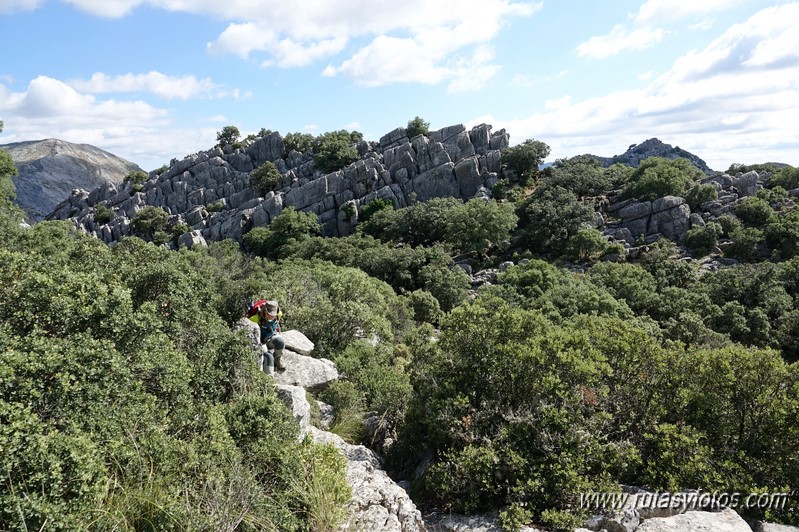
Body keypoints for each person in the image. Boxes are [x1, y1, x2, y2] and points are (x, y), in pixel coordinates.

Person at [246, 299, 286, 374]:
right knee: (268, 355)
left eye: (273, 315)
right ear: (264, 311)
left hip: (270, 337)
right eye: (270, 314)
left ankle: (278, 359)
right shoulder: (255, 319)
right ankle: (268, 377)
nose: (272, 317)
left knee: (280, 341)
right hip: (259, 342)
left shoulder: (278, 314)